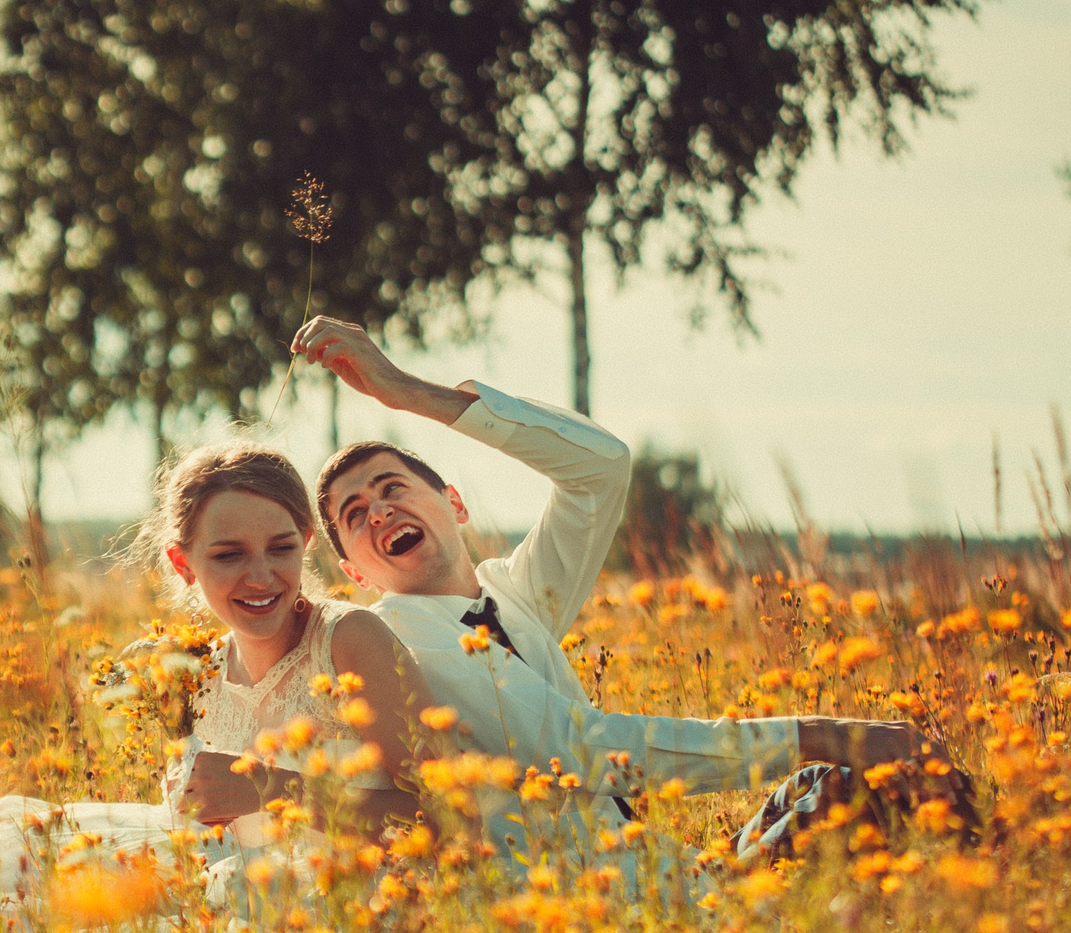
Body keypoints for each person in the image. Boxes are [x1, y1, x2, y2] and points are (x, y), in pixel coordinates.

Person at [290, 315, 967, 872]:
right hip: (601, 922)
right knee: (863, 767)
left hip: (668, 873)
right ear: (355, 573)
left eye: (391, 489)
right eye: (354, 515)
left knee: (890, 775)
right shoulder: (398, 645)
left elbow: (600, 469)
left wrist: (408, 392)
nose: (377, 511)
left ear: (454, 504)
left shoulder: (512, 591)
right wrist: (821, 733)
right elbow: (581, 746)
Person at [0, 441, 449, 933]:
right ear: (183, 564)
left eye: (281, 548)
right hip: (230, 882)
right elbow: (217, 825)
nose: (261, 576)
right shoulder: (201, 672)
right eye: (228, 556)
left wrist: (272, 790)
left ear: (307, 543)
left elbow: (449, 822)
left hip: (352, 903)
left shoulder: (348, 639)